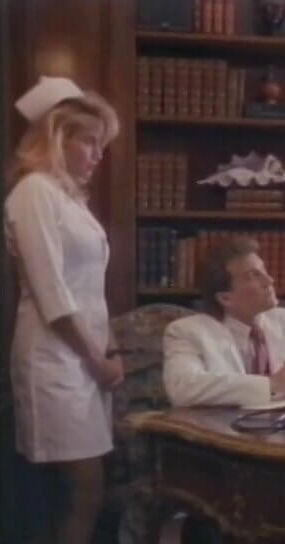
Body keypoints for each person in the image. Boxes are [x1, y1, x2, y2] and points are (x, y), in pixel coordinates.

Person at [5, 76, 123, 544]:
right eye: (89, 142)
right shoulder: (33, 191)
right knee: (83, 492)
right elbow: (51, 291)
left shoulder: (69, 199)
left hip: (85, 360)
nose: (97, 155)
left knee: (84, 495)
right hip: (55, 359)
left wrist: (109, 350)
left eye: (101, 145)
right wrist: (96, 358)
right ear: (58, 138)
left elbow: (91, 291)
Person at [163, 237, 285, 407]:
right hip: (224, 435)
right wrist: (271, 385)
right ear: (225, 298)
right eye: (254, 276)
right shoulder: (188, 331)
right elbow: (182, 387)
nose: (270, 281)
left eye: (264, 271)